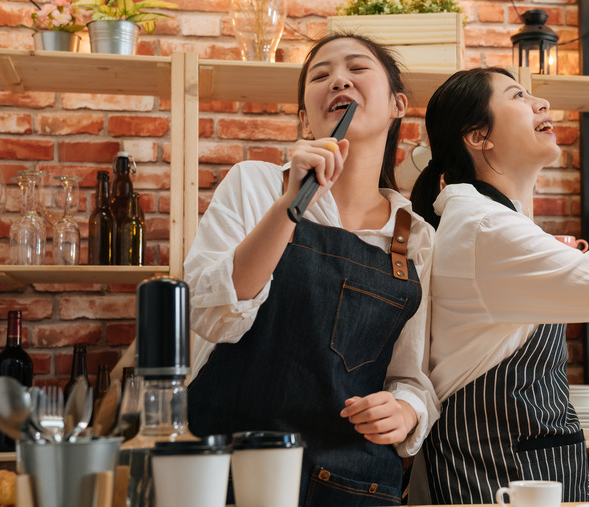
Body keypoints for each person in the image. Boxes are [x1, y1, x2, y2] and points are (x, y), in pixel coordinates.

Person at [408, 67, 589, 504]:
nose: (541, 104)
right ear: (479, 136)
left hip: (544, 471)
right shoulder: (486, 226)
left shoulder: (492, 221)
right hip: (497, 482)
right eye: (518, 95)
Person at [184, 34, 437, 506]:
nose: (338, 79)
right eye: (320, 75)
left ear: (397, 105)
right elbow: (211, 313)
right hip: (232, 478)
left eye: (357, 69)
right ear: (304, 118)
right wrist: (290, 205)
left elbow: (412, 375)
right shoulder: (255, 185)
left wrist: (405, 409)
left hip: (353, 485)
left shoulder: (415, 235)